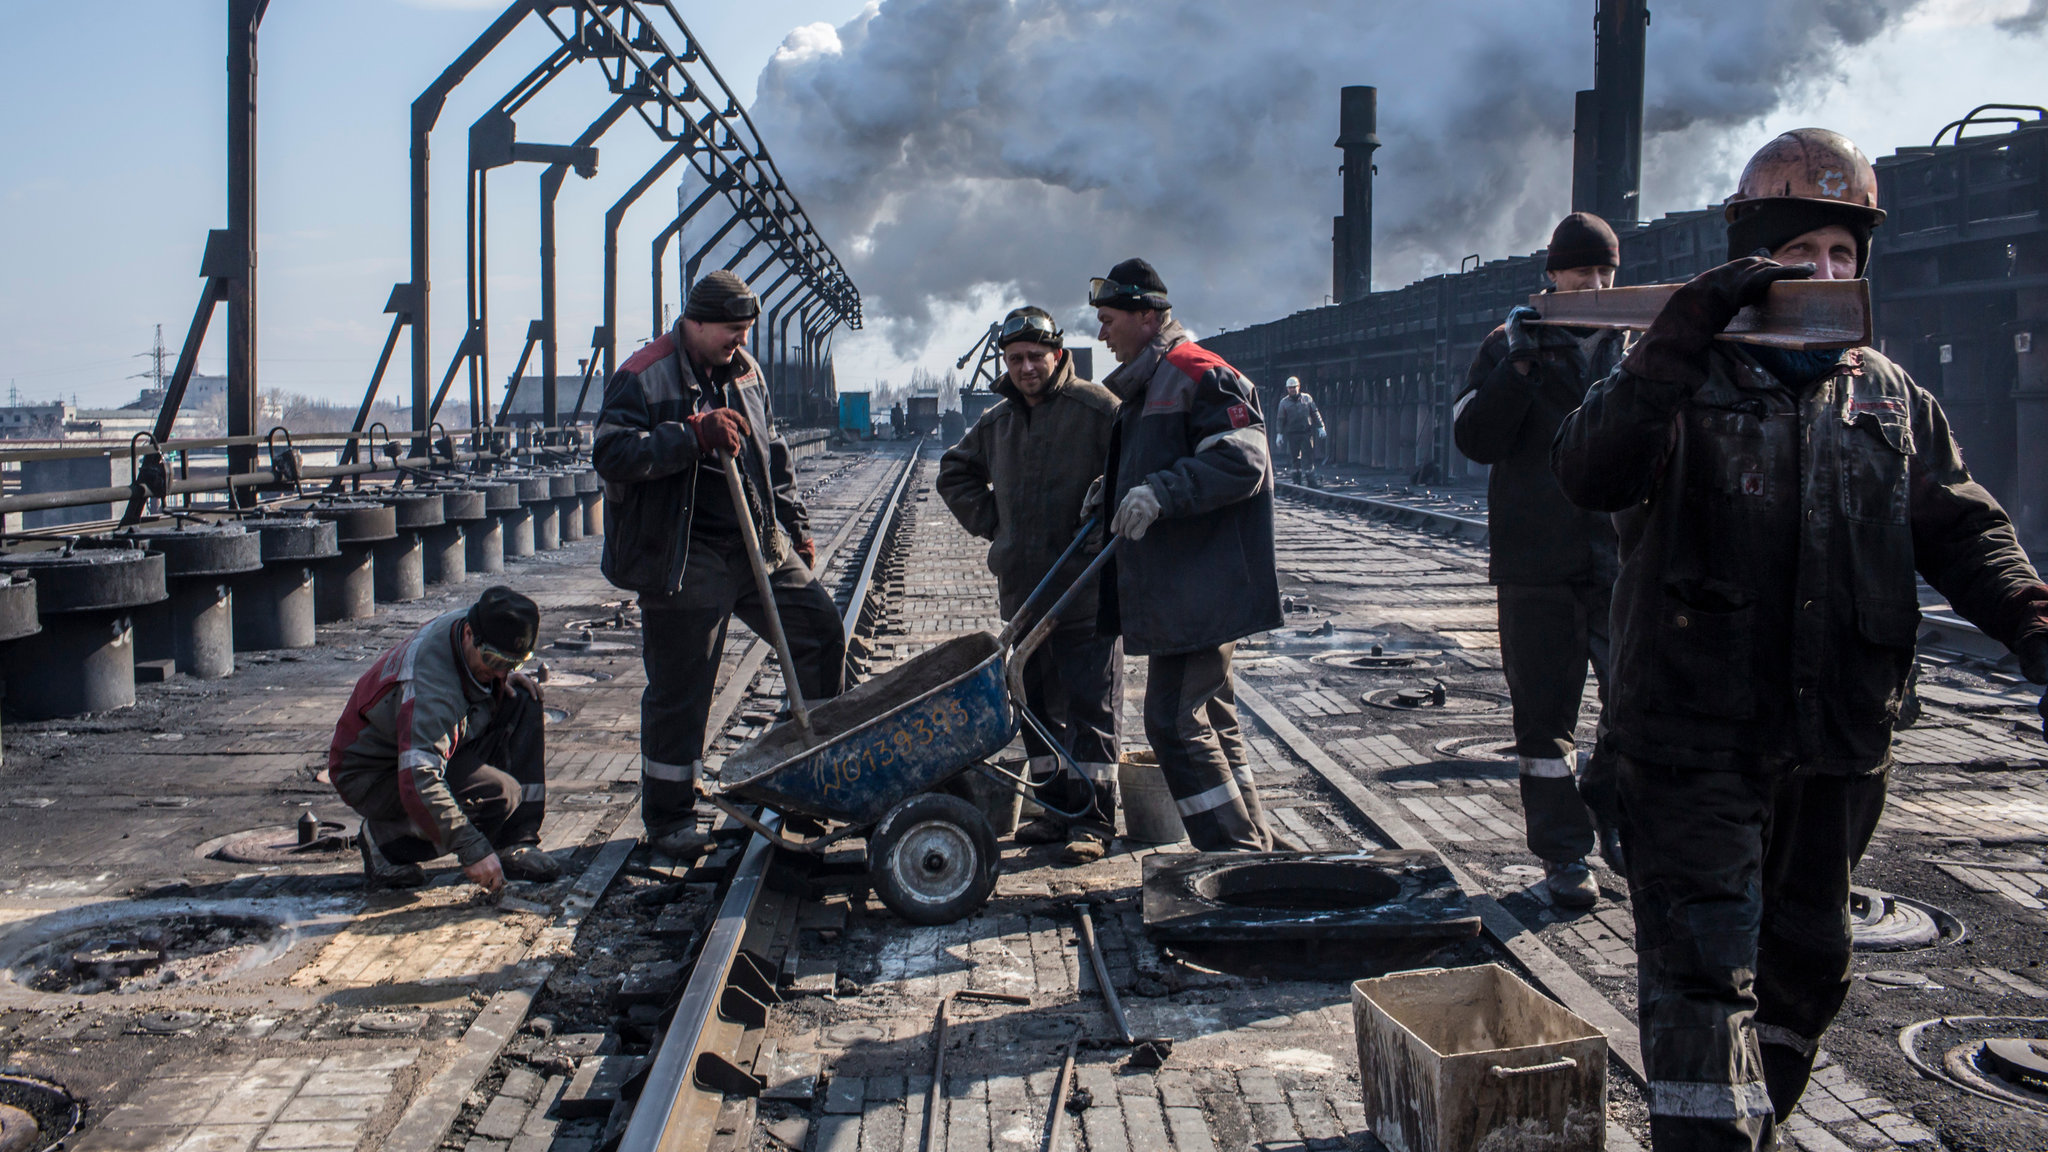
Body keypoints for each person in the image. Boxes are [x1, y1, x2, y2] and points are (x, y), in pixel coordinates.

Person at [1553, 128, 2048, 1150]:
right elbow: (1589, 472)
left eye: (1840, 257)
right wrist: (1674, 342)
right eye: (1797, 257)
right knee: (1698, 982)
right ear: (1750, 266)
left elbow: (1962, 532)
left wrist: (2032, 625)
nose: (1823, 276)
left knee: (1805, 970)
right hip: (1691, 751)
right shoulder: (1678, 383)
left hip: (1834, 755)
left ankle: (1755, 1123)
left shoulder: (1887, 399)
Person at [595, 270, 848, 859]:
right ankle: (670, 817)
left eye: (745, 333)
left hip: (757, 541)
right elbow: (610, 454)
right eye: (732, 333)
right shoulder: (643, 373)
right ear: (696, 321)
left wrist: (796, 526)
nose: (740, 344)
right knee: (683, 687)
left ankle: (804, 773)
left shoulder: (747, 373)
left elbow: (772, 456)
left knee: (818, 632)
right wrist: (689, 436)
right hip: (684, 554)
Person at [1453, 211, 1630, 909]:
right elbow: (1475, 438)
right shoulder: (1507, 346)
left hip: (1620, 560)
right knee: (1543, 724)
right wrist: (1521, 368)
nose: (1593, 283)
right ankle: (1564, 857)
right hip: (1535, 562)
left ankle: (1611, 804)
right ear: (1552, 275)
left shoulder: (1643, 345)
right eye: (1581, 270)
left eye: (1605, 272)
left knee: (1638, 707)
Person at [1089, 258, 1283, 852]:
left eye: (1109, 319)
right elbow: (1169, 453)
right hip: (1185, 585)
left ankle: (1233, 855)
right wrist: (1119, 484)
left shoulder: (1198, 373)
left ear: (1148, 316)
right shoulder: (1153, 380)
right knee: (1212, 716)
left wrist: (1159, 492)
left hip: (1202, 585)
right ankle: (1253, 846)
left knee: (1172, 721)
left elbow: (1240, 461)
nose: (1102, 334)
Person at [937, 306, 1123, 863]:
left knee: (1093, 704)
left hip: (1087, 588)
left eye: (1035, 357)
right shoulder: (998, 423)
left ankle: (1092, 822)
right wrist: (998, 524)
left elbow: (1134, 466)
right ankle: (1053, 810)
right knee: (1036, 701)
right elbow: (954, 471)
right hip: (1026, 591)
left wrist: (1109, 509)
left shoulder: (1098, 410)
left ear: (1058, 355)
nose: (1025, 368)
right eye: (1014, 359)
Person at [329, 586, 558, 892]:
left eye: (511, 663)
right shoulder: (432, 688)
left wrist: (504, 675)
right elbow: (418, 778)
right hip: (373, 773)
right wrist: (472, 849)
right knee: (499, 795)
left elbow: (493, 667)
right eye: (493, 659)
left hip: (414, 746)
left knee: (524, 699)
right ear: (468, 634)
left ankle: (516, 842)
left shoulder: (479, 628)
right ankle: (384, 842)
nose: (498, 670)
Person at [1274, 377, 1325, 485]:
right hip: (1292, 434)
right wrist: (1279, 434)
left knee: (1308, 457)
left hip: (1306, 432)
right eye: (1290, 388)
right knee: (1295, 458)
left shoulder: (1307, 399)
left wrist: (1321, 427)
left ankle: (1311, 482)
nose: (1292, 389)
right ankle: (1296, 481)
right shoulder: (1284, 403)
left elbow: (1315, 413)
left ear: (1298, 387)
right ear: (1287, 389)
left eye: (1294, 387)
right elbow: (1280, 419)